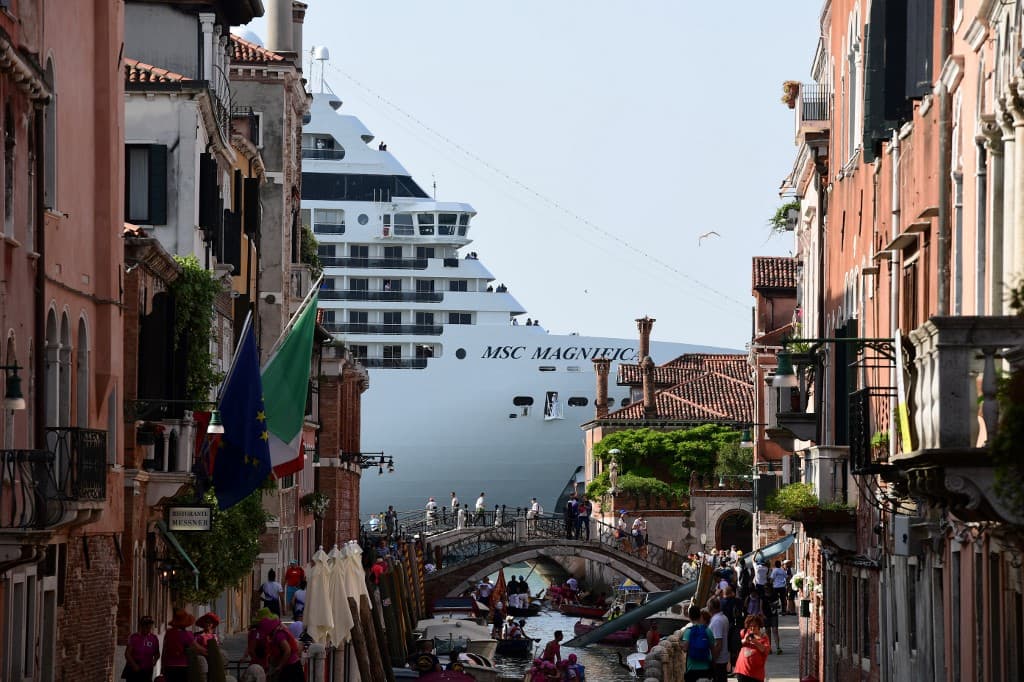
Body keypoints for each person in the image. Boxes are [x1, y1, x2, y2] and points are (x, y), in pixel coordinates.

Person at [681, 605, 715, 682]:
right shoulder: (707, 631)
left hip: (691, 668)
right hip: (705, 668)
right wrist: (713, 664)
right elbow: (713, 650)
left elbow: (685, 648)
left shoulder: (688, 631)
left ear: (689, 617)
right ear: (700, 616)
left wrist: (681, 644)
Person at [733, 613, 771, 682]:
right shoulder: (744, 632)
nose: (752, 628)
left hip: (756, 674)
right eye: (750, 626)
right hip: (742, 671)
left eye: (755, 626)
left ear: (759, 626)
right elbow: (736, 644)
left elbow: (765, 650)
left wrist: (755, 642)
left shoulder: (764, 637)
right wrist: (744, 640)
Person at [162, 609, 196, 682]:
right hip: (182, 665)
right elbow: (197, 648)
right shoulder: (186, 634)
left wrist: (162, 666)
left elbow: (164, 650)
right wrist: (208, 652)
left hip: (168, 666)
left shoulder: (169, 633)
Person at [124, 616, 160, 682]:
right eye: (146, 625)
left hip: (147, 670)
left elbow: (157, 653)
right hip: (134, 669)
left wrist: (154, 661)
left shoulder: (154, 638)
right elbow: (127, 654)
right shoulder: (134, 637)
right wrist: (134, 665)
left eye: (149, 626)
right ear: (141, 626)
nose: (148, 627)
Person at [707, 596, 730, 682]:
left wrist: (713, 660)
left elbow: (718, 644)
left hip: (718, 660)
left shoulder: (717, 621)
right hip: (722, 658)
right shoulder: (723, 617)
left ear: (710, 608)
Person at [764, 586, 783, 654]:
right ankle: (769, 648)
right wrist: (762, 615)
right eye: (766, 590)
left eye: (768, 590)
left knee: (775, 631)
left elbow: (778, 605)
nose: (767, 592)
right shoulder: (763, 596)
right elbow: (760, 606)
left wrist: (773, 605)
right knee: (767, 632)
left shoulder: (775, 596)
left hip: (773, 615)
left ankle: (778, 647)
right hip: (766, 615)